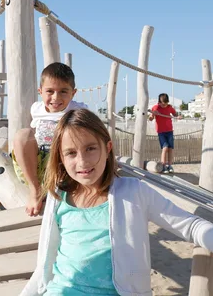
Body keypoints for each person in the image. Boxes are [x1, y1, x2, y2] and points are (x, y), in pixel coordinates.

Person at [20, 108, 213, 296]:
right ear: (60, 158)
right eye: (71, 153)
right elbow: (45, 262)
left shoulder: (134, 192)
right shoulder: (58, 197)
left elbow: (191, 226)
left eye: (90, 148)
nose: (82, 161)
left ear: (107, 148)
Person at [12, 62, 87, 217]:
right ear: (40, 92)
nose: (56, 97)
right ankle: (35, 190)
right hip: (38, 168)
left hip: (64, 167)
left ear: (73, 93)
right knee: (22, 135)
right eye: (50, 91)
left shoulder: (79, 110)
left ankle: (64, 191)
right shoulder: (36, 109)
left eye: (63, 92)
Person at [149, 93, 182, 174]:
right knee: (165, 148)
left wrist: (178, 116)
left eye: (166, 103)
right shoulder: (156, 107)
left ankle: (169, 165)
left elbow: (175, 114)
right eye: (162, 104)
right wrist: (153, 114)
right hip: (161, 131)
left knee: (170, 148)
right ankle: (163, 165)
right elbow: (150, 118)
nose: (164, 105)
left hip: (169, 130)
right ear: (159, 102)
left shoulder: (169, 107)